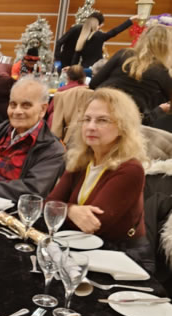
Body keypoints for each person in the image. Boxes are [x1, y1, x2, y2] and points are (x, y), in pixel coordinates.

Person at [46, 88, 150, 265]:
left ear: (122, 127)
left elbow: (94, 225)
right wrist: (71, 210)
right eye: (87, 119)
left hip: (124, 258)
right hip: (83, 250)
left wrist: (63, 209)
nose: (91, 126)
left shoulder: (131, 169)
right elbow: (47, 206)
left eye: (102, 120)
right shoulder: (81, 159)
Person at [89, 25, 172, 126]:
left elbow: (93, 84)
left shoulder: (123, 54)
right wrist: (159, 110)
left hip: (99, 112)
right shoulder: (163, 72)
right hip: (131, 123)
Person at [55, 12, 136, 68]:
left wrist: (73, 69)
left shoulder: (84, 37)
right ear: (98, 25)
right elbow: (114, 32)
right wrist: (58, 60)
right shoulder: (97, 35)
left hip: (79, 66)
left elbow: (77, 54)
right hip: (67, 61)